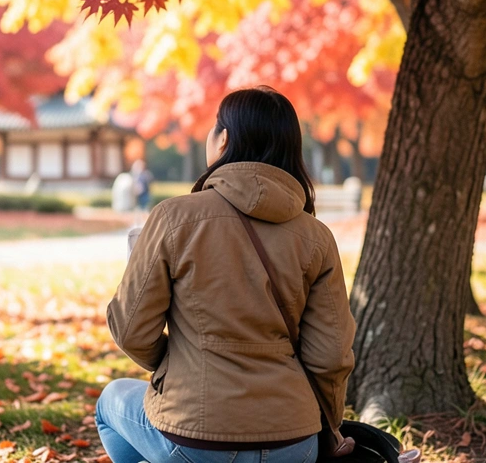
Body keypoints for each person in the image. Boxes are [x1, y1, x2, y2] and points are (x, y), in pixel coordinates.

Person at [98, 87, 357, 463]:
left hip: (195, 436)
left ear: (225, 139)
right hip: (295, 442)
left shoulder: (174, 218)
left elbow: (130, 328)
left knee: (111, 401)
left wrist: (177, 364)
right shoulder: (316, 237)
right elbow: (331, 356)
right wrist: (328, 425)